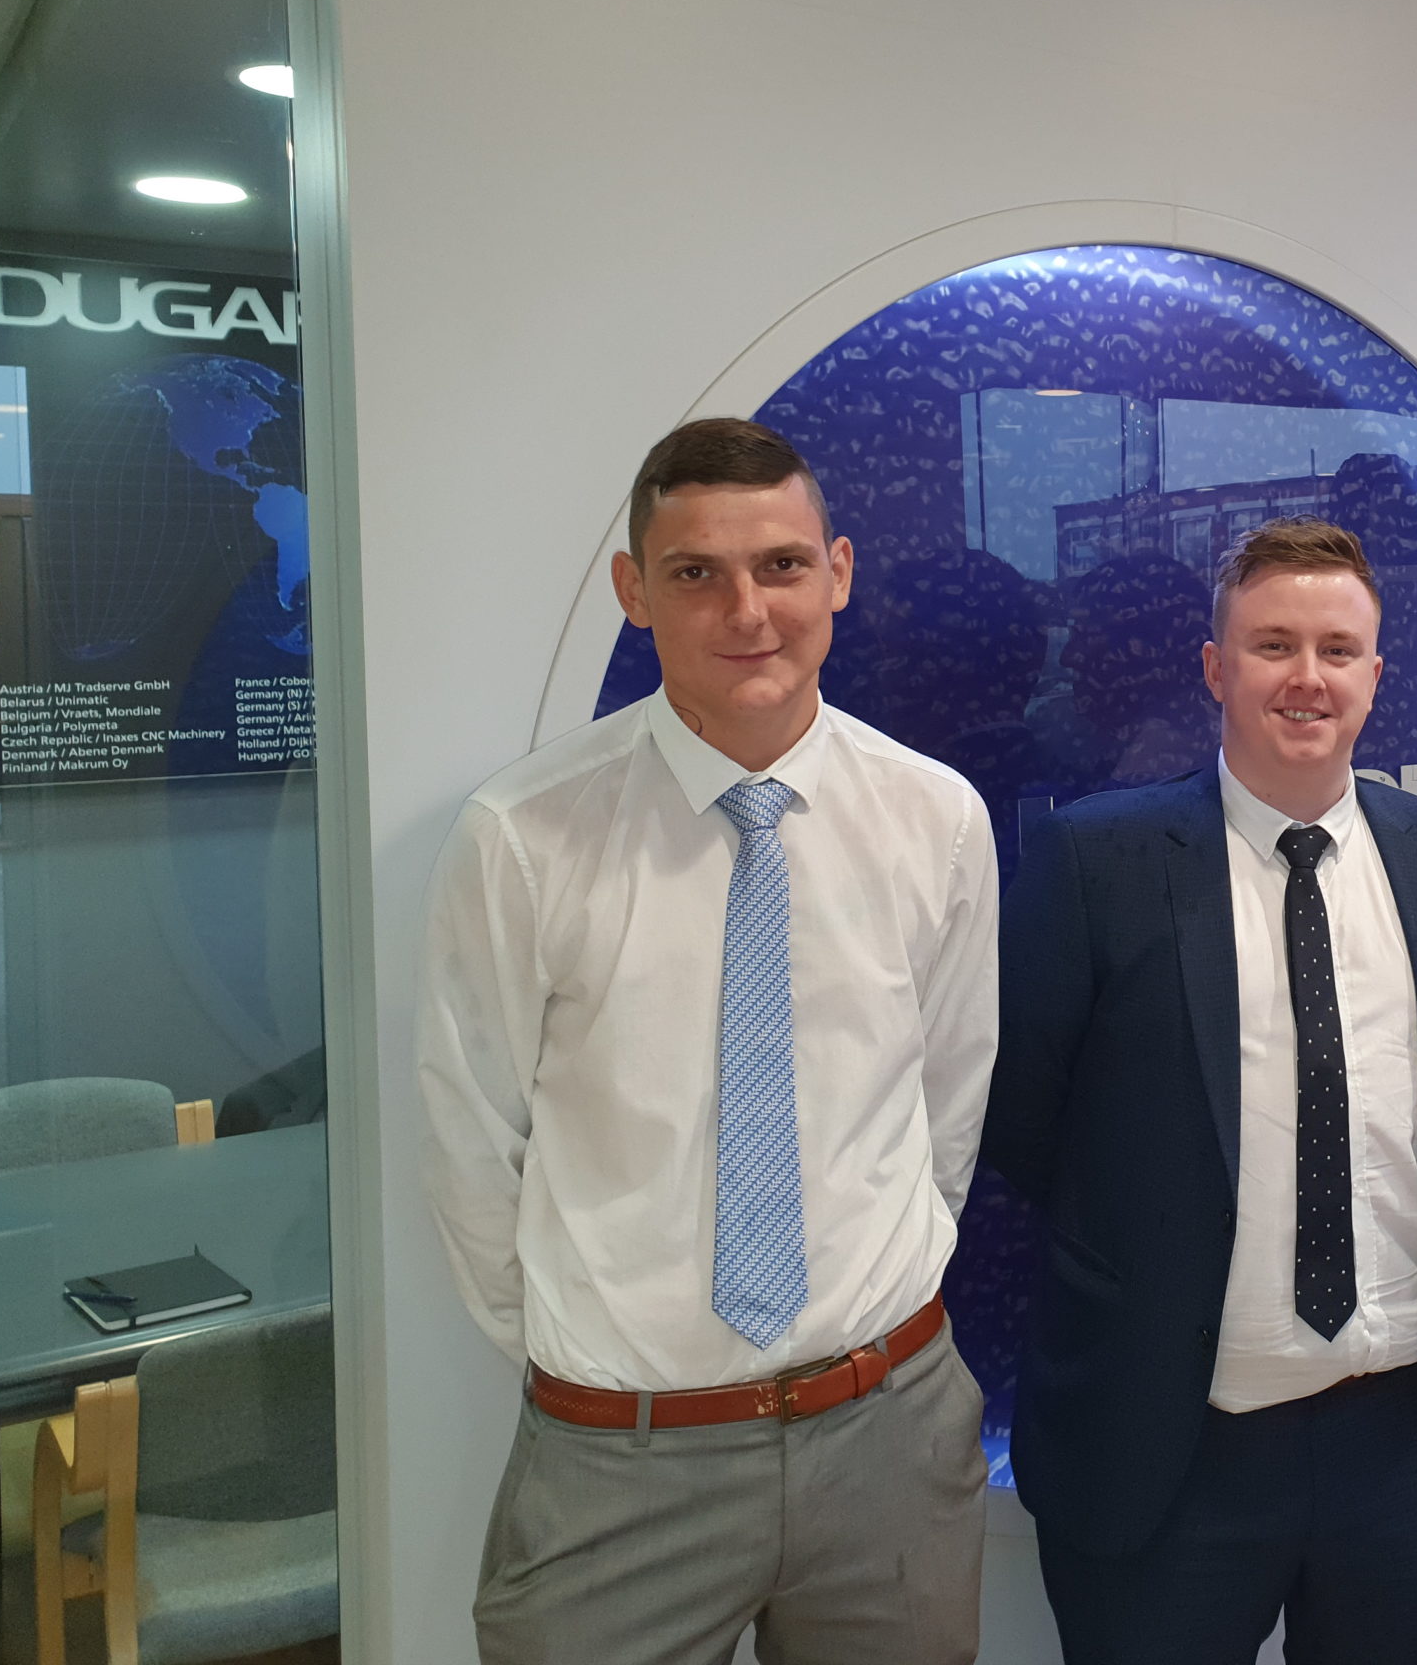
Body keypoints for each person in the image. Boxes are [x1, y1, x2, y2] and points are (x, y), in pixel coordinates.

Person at [417, 418, 997, 1665]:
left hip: (888, 1433)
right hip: (621, 1462)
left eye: (781, 566)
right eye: (697, 573)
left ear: (837, 573)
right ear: (635, 591)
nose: (748, 610)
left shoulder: (936, 818)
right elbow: (471, 1146)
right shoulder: (523, 838)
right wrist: (605, 1359)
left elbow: (947, 1103)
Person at [985, 517, 1417, 1665]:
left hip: (1404, 1441)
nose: (1306, 676)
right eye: (1273, 645)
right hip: (1172, 1449)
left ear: (1376, 673)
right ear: (1216, 667)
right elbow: (1026, 1122)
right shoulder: (1096, 862)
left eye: (1337, 648)